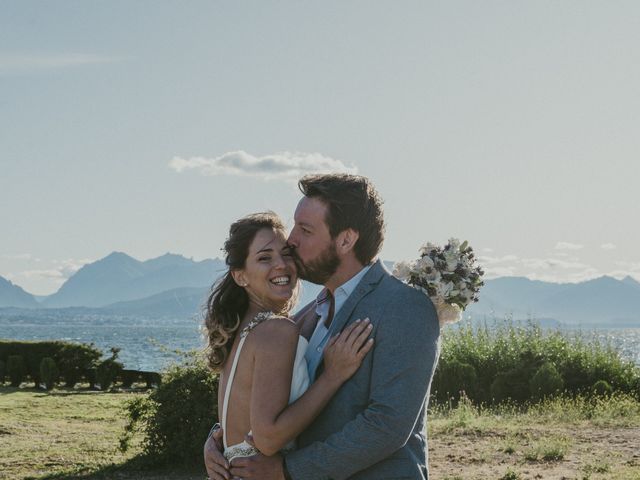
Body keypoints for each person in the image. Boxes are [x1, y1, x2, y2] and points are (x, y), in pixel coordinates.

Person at [206, 174, 441, 480]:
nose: (291, 239)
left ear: (345, 240)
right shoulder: (305, 315)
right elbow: (269, 399)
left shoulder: (403, 307)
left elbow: (387, 425)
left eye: (305, 230)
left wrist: (289, 469)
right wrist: (221, 440)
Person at [202, 212, 374, 473]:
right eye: (264, 258)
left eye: (286, 254)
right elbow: (267, 439)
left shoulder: (245, 332)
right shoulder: (276, 331)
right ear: (240, 276)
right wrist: (333, 376)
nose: (281, 264)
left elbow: (322, 303)